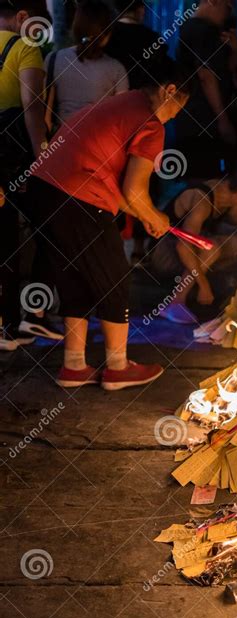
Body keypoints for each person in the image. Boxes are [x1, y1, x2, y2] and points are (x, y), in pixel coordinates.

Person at [27, 56, 191, 390]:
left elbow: (125, 195)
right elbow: (134, 189)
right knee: (114, 277)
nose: (176, 114)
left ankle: (74, 365)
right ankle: (117, 366)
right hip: (78, 193)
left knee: (76, 275)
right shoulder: (150, 123)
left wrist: (146, 217)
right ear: (169, 91)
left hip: (43, 189)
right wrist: (156, 216)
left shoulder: (119, 105)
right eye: (179, 107)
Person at [0, 0, 61, 351]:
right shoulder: (25, 47)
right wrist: (43, 157)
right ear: (23, 18)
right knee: (47, 228)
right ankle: (21, 321)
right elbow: (32, 108)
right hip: (11, 160)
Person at [147, 167, 237, 323]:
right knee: (212, 248)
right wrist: (204, 285)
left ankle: (197, 287)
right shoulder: (202, 199)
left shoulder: (229, 197)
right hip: (163, 253)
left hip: (187, 249)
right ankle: (175, 302)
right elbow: (183, 247)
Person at [175, 0, 237, 179]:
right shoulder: (199, 30)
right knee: (206, 181)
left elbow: (229, 71)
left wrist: (236, 50)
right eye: (227, 6)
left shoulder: (212, 32)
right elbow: (206, 76)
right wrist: (222, 119)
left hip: (211, 117)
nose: (228, 12)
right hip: (203, 119)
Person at [44, 0, 128, 131]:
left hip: (63, 142)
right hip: (100, 143)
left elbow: (45, 116)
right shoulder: (116, 69)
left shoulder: (54, 59)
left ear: (76, 27)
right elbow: (121, 118)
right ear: (107, 34)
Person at [105, 0, 167, 90]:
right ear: (141, 9)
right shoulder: (152, 37)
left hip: (111, 95)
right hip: (143, 96)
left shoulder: (106, 34)